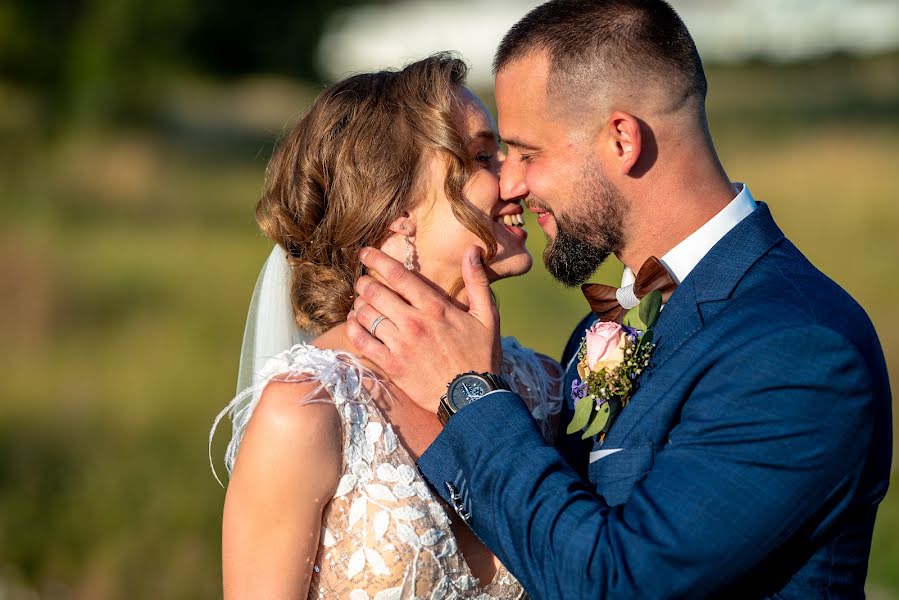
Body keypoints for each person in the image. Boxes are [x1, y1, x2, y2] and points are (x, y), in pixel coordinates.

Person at [346, 1, 893, 598]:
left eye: (528, 153)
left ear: (621, 138)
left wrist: (469, 394)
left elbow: (622, 583)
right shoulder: (599, 331)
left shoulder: (797, 349)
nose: (511, 184)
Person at [211, 54, 563, 599]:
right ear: (395, 205)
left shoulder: (545, 388)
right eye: (482, 157)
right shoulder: (308, 415)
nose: (515, 181)